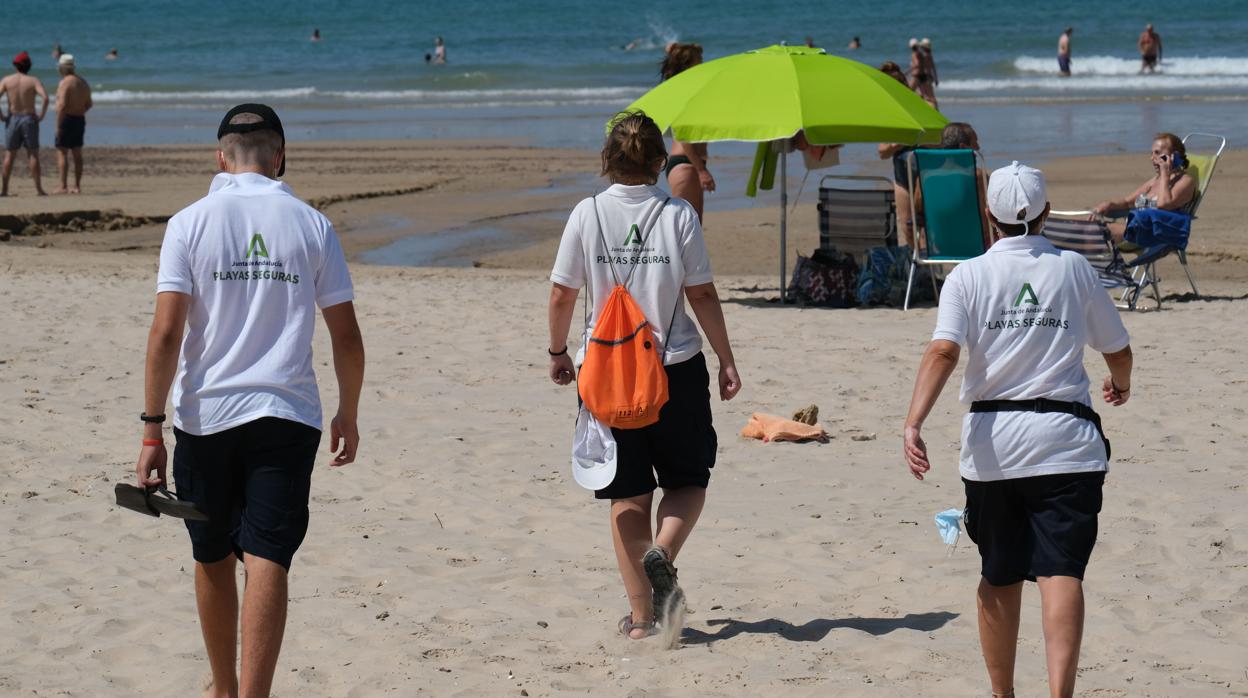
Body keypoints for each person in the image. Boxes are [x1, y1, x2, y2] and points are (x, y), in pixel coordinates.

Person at [136, 103, 365, 698]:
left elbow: (165, 334)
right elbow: (346, 334)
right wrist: (349, 411)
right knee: (269, 552)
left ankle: (223, 686)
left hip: (205, 416)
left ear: (220, 158)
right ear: (280, 154)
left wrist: (151, 430)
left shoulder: (189, 222)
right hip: (287, 415)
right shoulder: (313, 224)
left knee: (212, 552)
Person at [904, 161, 1133, 698]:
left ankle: (1002, 693)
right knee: (1061, 571)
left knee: (999, 573)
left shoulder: (968, 275)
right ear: (1046, 214)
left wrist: (913, 423)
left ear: (989, 217)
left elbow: (942, 350)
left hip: (993, 444)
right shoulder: (1074, 268)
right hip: (1066, 440)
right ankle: (1060, 694)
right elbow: (1117, 348)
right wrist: (1120, 383)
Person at [546, 111, 741, 640]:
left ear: (608, 159)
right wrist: (726, 358)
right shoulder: (678, 215)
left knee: (626, 495)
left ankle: (639, 619)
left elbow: (564, 292)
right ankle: (665, 551)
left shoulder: (586, 213)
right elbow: (700, 293)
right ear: (660, 161)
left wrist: (559, 351)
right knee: (687, 480)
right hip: (673, 367)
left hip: (606, 371)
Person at [1092, 132, 1196, 246]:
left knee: (1091, 231)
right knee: (1086, 226)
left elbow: (1163, 204)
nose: (1152, 158)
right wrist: (1109, 204)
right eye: (1151, 153)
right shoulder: (1154, 181)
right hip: (1136, 230)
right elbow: (1128, 202)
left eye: (1157, 153)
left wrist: (1165, 175)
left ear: (1174, 156)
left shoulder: (1186, 181)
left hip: (1155, 235)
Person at [912, 122, 992, 249]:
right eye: (975, 143)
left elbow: (917, 210)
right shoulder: (978, 177)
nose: (978, 147)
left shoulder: (926, 177)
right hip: (977, 246)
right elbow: (992, 210)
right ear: (963, 147)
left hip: (940, 246)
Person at [660, 43, 714, 221]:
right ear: (687, 66)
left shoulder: (690, 92)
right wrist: (701, 171)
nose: (702, 65)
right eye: (699, 61)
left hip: (692, 163)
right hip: (686, 163)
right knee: (684, 228)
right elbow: (682, 135)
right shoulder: (685, 95)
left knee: (694, 226)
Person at [877, 61, 920, 245]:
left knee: (926, 226)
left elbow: (937, 142)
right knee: (907, 227)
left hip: (923, 176)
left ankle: (929, 269)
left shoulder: (920, 108)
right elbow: (882, 152)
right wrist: (898, 143)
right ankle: (918, 268)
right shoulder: (889, 115)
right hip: (901, 176)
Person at [1, 51, 49, 197]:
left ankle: (4, 190)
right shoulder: (33, 81)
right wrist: (41, 116)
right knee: (33, 155)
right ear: (29, 66)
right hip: (29, 119)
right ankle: (39, 190)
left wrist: (2, 116)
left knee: (9, 155)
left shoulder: (7, 80)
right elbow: (45, 98)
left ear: (15, 65)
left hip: (13, 118)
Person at [54, 54, 92, 194]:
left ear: (62, 68)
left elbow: (62, 105)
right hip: (79, 119)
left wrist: (58, 125)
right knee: (77, 153)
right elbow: (89, 104)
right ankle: (77, 186)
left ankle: (63, 186)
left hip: (66, 119)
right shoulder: (82, 82)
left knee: (62, 152)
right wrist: (78, 109)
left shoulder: (65, 82)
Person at [908, 39, 937, 109]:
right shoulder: (927, 55)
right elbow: (933, 67)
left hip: (920, 76)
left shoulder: (919, 54)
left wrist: (907, 71)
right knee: (927, 96)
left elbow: (919, 65)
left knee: (909, 93)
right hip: (926, 77)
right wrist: (936, 78)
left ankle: (935, 112)